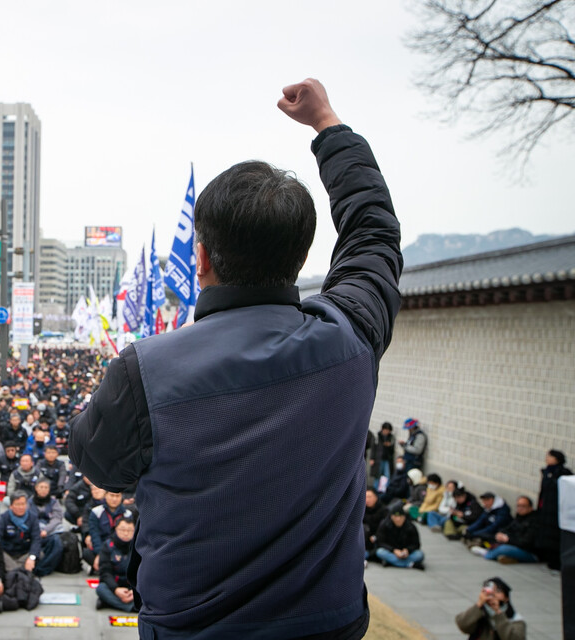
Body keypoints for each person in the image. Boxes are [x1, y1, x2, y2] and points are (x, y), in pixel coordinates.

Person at [70, 80, 403, 636]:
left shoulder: (145, 368)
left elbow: (99, 463)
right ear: (299, 257)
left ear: (200, 258)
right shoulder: (351, 338)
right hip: (327, 624)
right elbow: (373, 233)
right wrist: (329, 128)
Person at [471, 496, 541, 564]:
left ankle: (487, 554)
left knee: (503, 548)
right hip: (515, 545)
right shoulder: (519, 517)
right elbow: (508, 528)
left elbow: (525, 542)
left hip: (529, 552)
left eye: (523, 506)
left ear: (530, 507)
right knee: (491, 538)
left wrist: (508, 539)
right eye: (518, 506)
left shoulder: (534, 521)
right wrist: (500, 533)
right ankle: (506, 557)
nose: (520, 508)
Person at [455, 577, 526, 639]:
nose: (493, 594)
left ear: (506, 598)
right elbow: (463, 625)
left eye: (498, 591)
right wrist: (479, 604)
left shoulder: (515, 620)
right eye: (490, 591)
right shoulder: (479, 614)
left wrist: (498, 613)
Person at [537, 448, 571, 571]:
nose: (547, 458)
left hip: (557, 510)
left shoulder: (563, 473)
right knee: (546, 536)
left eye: (549, 456)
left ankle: (557, 562)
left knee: (555, 537)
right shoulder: (546, 472)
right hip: (546, 509)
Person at [0, 492, 44, 574]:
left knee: (39, 553)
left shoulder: (33, 518)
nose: (21, 507)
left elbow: (36, 539)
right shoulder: (4, 517)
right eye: (17, 504)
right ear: (11, 506)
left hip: (23, 553)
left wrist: (31, 558)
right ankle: (19, 571)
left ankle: (13, 570)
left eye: (23, 504)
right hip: (8, 553)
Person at [96, 517, 136, 612]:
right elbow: (105, 572)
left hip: (134, 587)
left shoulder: (140, 546)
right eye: (122, 530)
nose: (126, 533)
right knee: (101, 588)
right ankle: (131, 607)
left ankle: (111, 603)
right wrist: (116, 589)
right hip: (115, 585)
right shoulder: (108, 545)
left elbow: (145, 573)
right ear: (116, 529)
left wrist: (136, 591)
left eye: (130, 530)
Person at [88, 491, 133, 561]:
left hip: (120, 549)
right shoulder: (96, 512)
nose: (114, 499)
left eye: (117, 496)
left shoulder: (128, 514)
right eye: (112, 495)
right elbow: (95, 535)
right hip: (102, 547)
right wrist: (100, 554)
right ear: (105, 495)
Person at [363, 489, 389, 560]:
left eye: (369, 497)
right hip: (365, 538)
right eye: (365, 497)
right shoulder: (361, 509)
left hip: (379, 538)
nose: (367, 499)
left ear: (376, 497)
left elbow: (385, 527)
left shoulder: (384, 510)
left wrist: (376, 536)